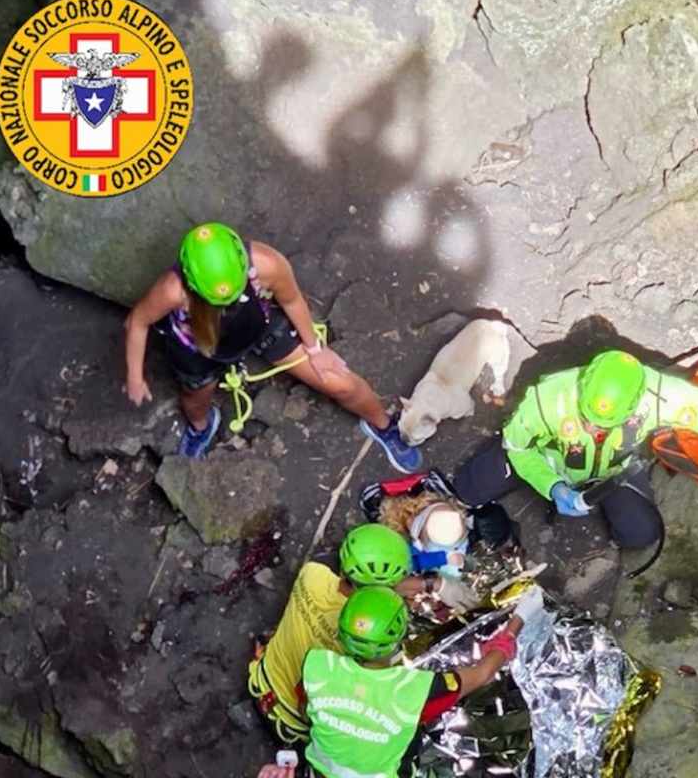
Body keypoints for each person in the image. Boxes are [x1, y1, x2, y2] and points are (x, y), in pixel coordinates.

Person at [122, 221, 420, 471]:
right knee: (194, 399)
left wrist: (316, 349)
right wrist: (135, 377)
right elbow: (138, 322)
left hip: (258, 326)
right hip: (198, 346)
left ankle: (383, 426)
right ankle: (201, 427)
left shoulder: (266, 264)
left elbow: (290, 299)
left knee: (341, 384)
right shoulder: (172, 291)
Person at [451, 350, 698, 548]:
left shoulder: (659, 395)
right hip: (549, 459)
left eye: (604, 424)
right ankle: (478, 488)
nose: (593, 427)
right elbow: (517, 446)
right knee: (468, 489)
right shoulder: (548, 398)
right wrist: (552, 485)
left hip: (612, 472)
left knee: (640, 534)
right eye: (587, 417)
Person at [255, 585, 544, 778]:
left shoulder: (317, 666)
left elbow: (309, 711)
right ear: (399, 637)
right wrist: (519, 618)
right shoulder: (416, 691)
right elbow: (482, 673)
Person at [248, 523, 478, 743]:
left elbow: (367, 587)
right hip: (293, 726)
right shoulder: (362, 641)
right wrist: (434, 585)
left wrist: (431, 584)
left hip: (261, 680)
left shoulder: (312, 574)